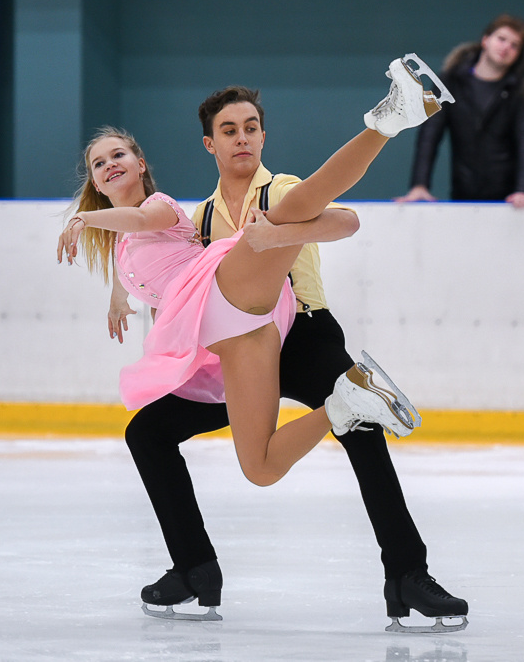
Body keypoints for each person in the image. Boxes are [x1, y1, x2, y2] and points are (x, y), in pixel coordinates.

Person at [100, 58, 469, 633]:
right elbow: (169, 272)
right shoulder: (198, 218)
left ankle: (408, 576)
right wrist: (123, 294)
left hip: (306, 335)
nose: (241, 137)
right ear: (210, 144)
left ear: (263, 135)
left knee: (363, 432)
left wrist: (279, 234)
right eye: (229, 130)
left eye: (250, 127)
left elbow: (345, 221)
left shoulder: (284, 187)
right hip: (240, 349)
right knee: (147, 431)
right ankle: (194, 567)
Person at [396, 14, 524, 208]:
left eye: (515, 45)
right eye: (502, 39)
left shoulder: (520, 91)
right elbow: (430, 134)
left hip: (508, 199)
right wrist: (419, 184)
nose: (506, 47)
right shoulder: (450, 81)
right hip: (462, 191)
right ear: (485, 40)